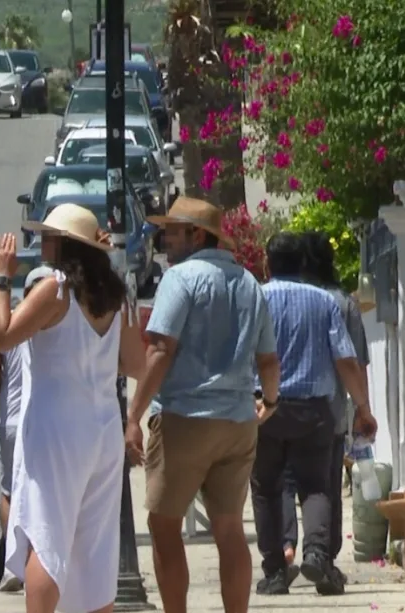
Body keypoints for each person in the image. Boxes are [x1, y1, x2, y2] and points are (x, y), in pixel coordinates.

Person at [124, 196, 281, 613]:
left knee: (163, 524)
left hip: (185, 420)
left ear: (197, 235)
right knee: (229, 529)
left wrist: (133, 415)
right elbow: (268, 359)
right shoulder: (249, 283)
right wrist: (270, 400)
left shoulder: (181, 278)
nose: (165, 239)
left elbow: (160, 349)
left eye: (172, 231)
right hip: (238, 420)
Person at [0, 204, 146, 613]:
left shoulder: (55, 290)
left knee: (47, 538)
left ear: (63, 245)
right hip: (102, 426)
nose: (41, 243)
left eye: (48, 236)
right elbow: (135, 364)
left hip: (56, 427)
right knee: (95, 548)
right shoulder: (117, 297)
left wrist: (3, 279)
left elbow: (1, 336)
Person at [251, 232, 377, 596]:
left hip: (264, 407)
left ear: (267, 263)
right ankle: (318, 554)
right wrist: (363, 408)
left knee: (267, 487)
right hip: (315, 410)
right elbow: (346, 359)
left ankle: (275, 570)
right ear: (302, 265)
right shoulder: (325, 302)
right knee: (317, 485)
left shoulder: (255, 299)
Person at [0, 265, 54, 592]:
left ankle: (15, 564)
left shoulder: (9, 322)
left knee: (10, 492)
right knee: (44, 491)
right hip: (47, 420)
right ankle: (38, 558)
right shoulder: (59, 319)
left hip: (14, 422)